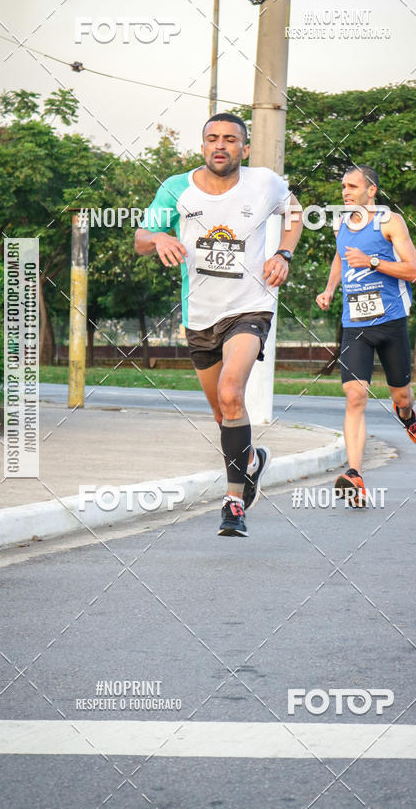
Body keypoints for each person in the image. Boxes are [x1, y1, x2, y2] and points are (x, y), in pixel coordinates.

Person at [135, 112, 303, 536]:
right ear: (203, 145)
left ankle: (233, 503)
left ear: (244, 149)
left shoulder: (264, 181)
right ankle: (250, 460)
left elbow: (295, 212)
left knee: (232, 392)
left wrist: (283, 253)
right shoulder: (176, 189)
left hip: (250, 306)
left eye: (230, 139)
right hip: (199, 316)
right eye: (213, 138)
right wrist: (159, 238)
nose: (221, 145)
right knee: (221, 410)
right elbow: (140, 239)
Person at [316, 165, 416, 507]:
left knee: (402, 395)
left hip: (391, 321)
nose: (345, 192)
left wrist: (373, 261)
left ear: (371, 191)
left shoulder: (390, 222)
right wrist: (330, 288)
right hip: (355, 324)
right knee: (354, 396)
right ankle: (355, 474)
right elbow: (341, 256)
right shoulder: (340, 223)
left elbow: (414, 271)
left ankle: (406, 415)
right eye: (343, 187)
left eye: (352, 186)